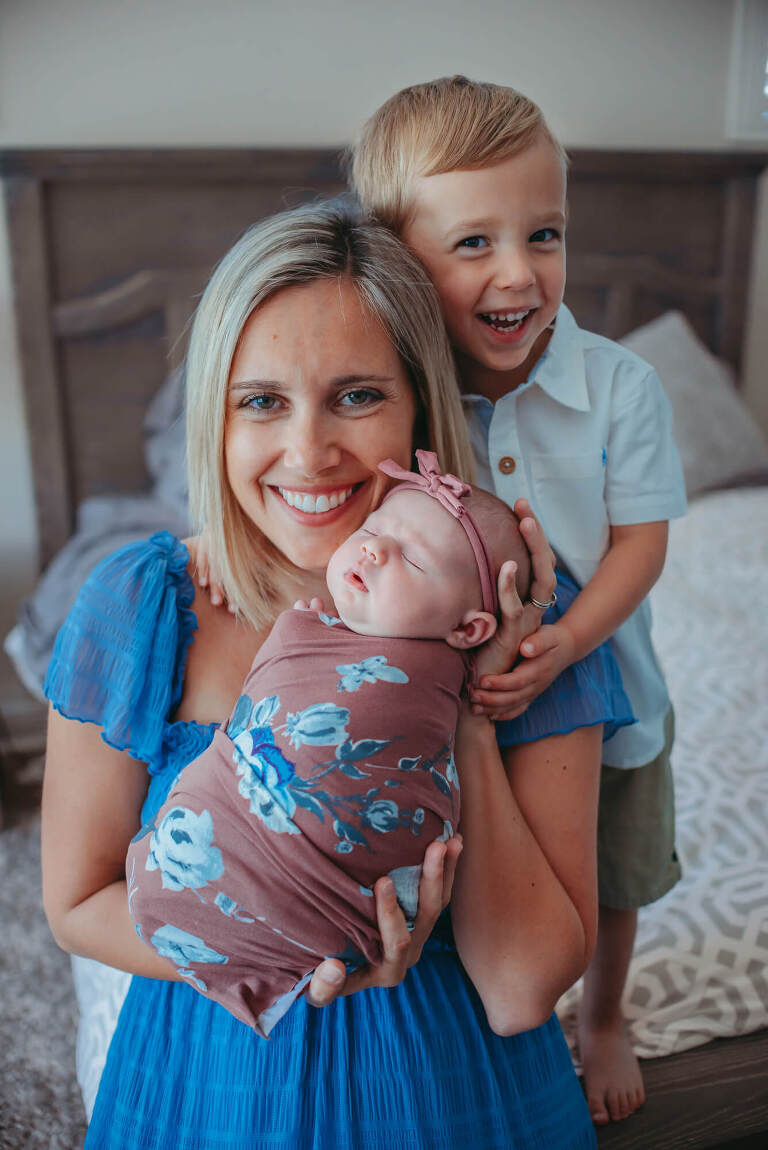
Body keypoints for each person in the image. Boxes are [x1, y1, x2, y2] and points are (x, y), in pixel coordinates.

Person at [42, 200, 629, 1150]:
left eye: (358, 396)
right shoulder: (143, 604)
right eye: (261, 401)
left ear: (419, 411)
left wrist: (464, 705)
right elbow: (74, 906)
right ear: (215, 418)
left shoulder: (525, 618)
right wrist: (274, 940)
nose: (309, 453)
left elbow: (523, 989)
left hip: (452, 1084)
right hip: (212, 1075)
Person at [351, 74, 688, 1125]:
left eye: (544, 234)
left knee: (616, 868)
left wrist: (571, 637)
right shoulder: (396, 388)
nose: (520, 272)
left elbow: (641, 543)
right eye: (473, 244)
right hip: (444, 695)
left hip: (599, 681)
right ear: (399, 259)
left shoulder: (620, 385)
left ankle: (602, 1016)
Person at [127, 453, 530, 1034]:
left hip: (343, 915)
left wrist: (482, 693)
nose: (374, 550)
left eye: (412, 558)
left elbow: (521, 1000)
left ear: (469, 630)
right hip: (221, 889)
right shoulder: (292, 625)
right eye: (372, 531)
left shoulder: (450, 680)